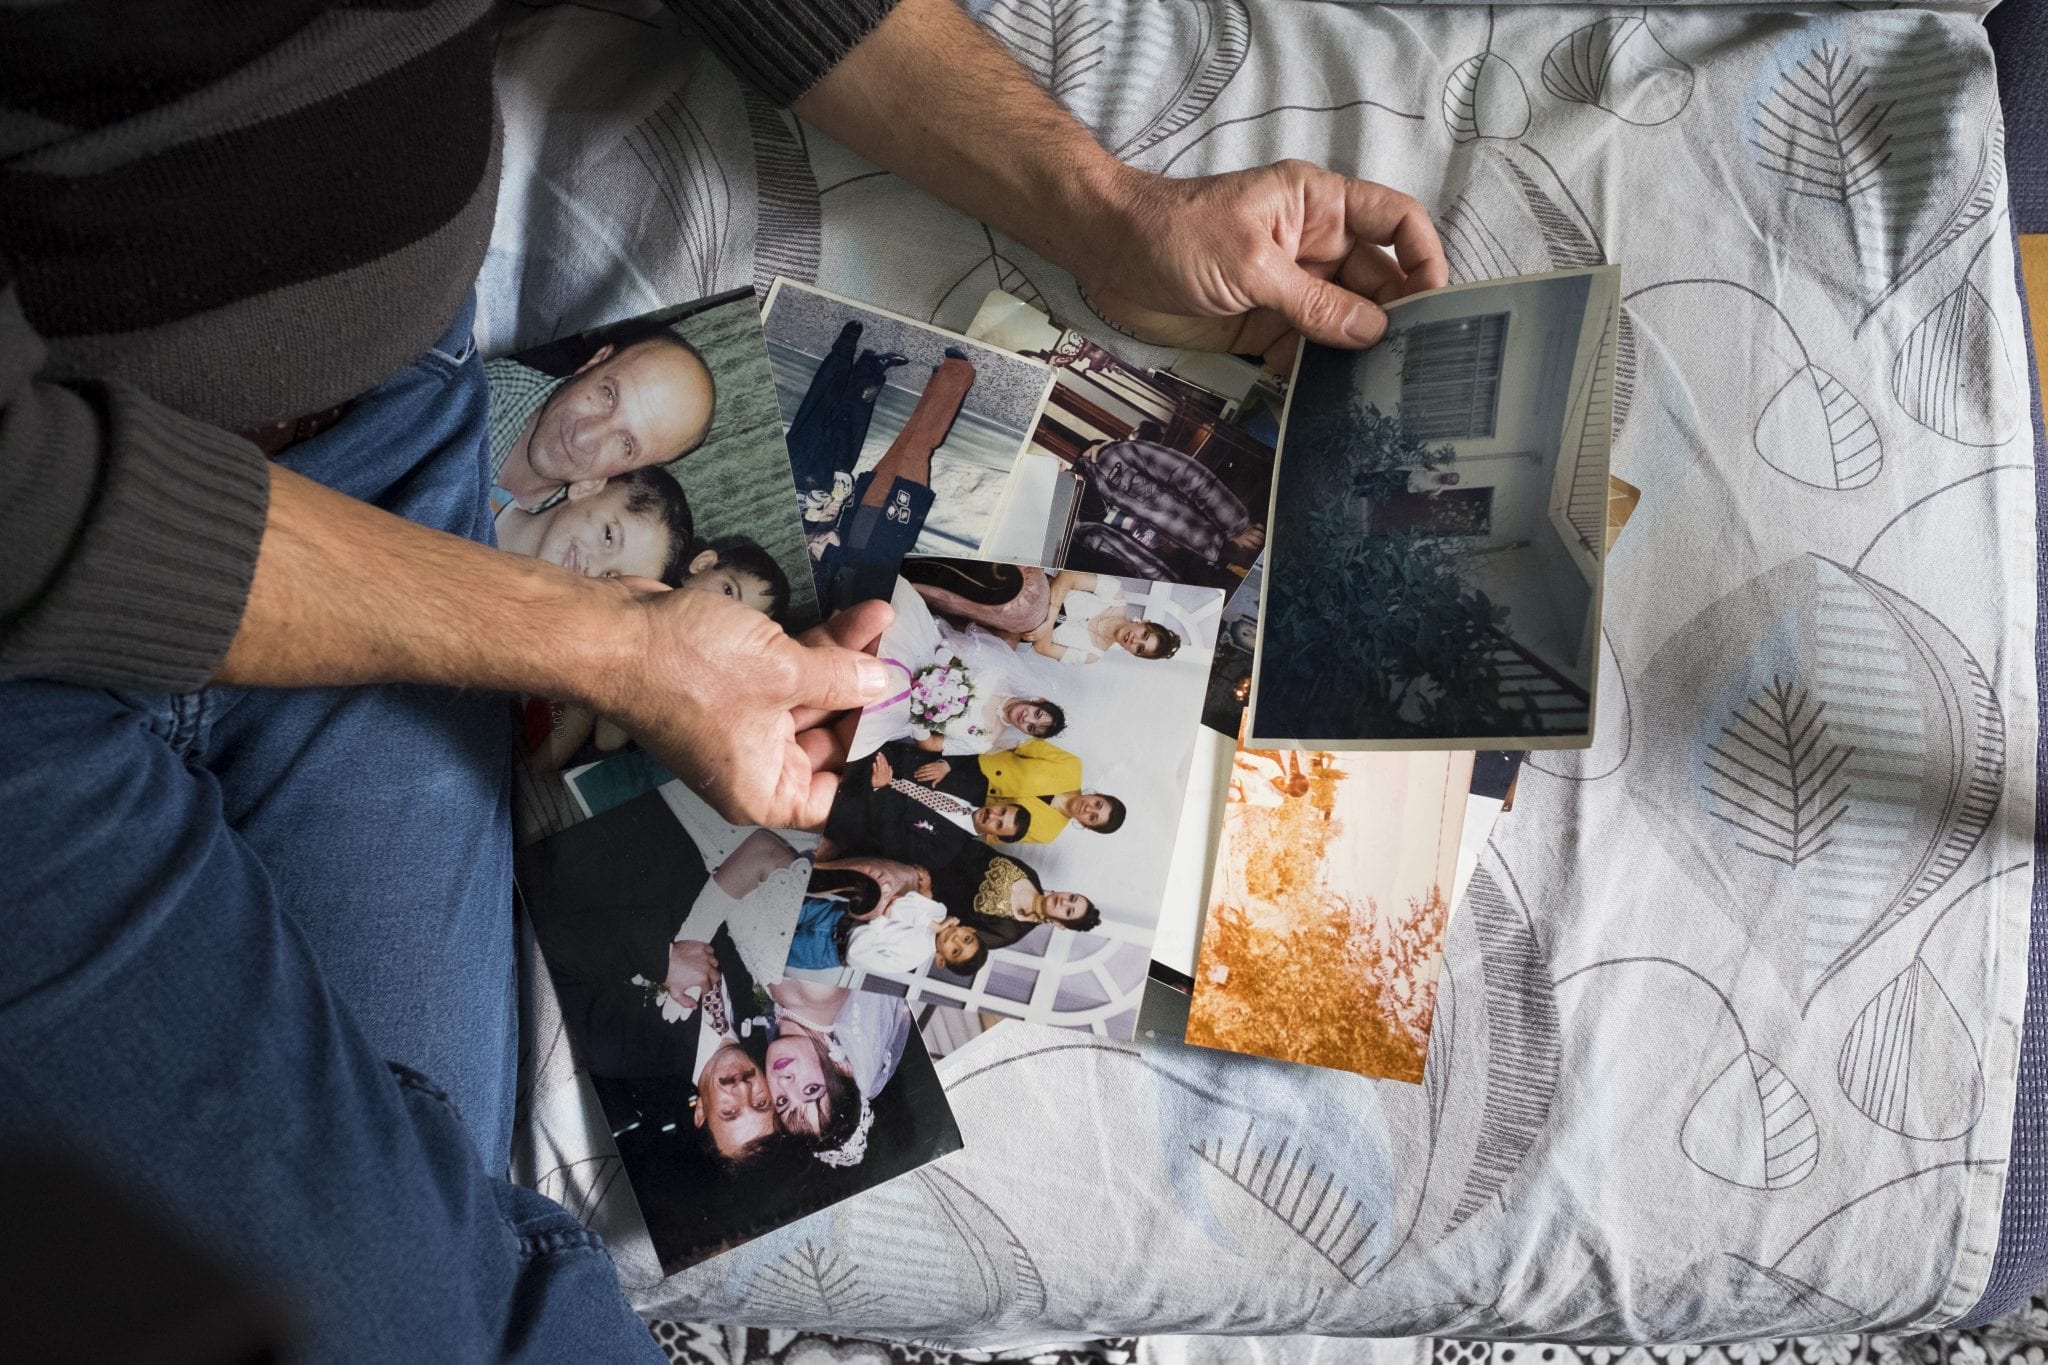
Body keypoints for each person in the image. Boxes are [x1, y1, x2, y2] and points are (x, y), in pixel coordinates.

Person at [4, 0, 1448, 1352]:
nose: (777, 1085)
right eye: (795, 1099)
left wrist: (1109, 209)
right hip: (41, 613)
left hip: (377, 434)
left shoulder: (851, 912)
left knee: (407, 1244)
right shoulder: (856, 930)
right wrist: (619, 646)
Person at [486, 325, 717, 515]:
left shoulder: (577, 549)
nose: (584, 436)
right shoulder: (467, 380)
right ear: (595, 361)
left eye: (626, 444)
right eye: (608, 394)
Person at [1071, 435, 1265, 569]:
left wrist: (1236, 525)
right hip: (1196, 564)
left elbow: (1188, 474)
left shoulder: (1113, 456)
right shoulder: (1077, 519)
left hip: (1223, 537)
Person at [491, 464, 696, 586]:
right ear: (586, 487)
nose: (594, 568)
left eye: (611, 578)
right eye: (609, 536)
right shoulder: (467, 485)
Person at [895, 738, 1126, 844]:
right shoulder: (1070, 765)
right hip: (970, 765)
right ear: (1097, 794)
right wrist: (951, 761)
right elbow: (1013, 741)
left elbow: (993, 834)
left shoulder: (1048, 834)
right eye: (1098, 804)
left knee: (897, 798)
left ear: (1086, 825)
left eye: (1093, 818)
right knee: (900, 760)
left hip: (966, 806)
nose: (1089, 809)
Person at [1028, 570, 1181, 664]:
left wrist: (1042, 623)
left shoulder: (1092, 656)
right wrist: (1050, 620)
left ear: (1133, 653)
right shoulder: (1114, 592)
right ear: (1144, 622)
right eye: (1144, 634)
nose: (1135, 640)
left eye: (1139, 648)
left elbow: (1042, 648)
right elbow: (1068, 576)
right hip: (1029, 587)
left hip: (1018, 626)